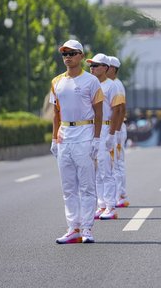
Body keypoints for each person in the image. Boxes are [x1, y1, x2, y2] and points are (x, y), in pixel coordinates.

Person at [50, 40, 103, 244]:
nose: (68, 57)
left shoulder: (91, 81)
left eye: (72, 53)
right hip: (65, 134)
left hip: (85, 132)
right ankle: (73, 227)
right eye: (64, 54)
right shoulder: (56, 82)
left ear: (81, 56)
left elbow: (99, 112)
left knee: (87, 185)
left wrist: (96, 139)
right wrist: (55, 138)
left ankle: (87, 228)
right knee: (68, 186)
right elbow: (55, 113)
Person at [87, 53, 124, 220]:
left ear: (105, 68)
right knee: (96, 170)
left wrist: (112, 134)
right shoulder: (91, 84)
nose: (92, 68)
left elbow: (117, 111)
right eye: (91, 66)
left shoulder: (112, 86)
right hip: (92, 130)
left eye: (95, 65)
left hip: (106, 129)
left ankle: (110, 206)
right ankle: (101, 204)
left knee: (106, 169)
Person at [106, 56, 129, 208]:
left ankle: (120, 195)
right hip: (116, 128)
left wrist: (117, 130)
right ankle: (118, 194)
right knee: (114, 162)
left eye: (106, 67)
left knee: (117, 162)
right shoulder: (111, 84)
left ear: (112, 69)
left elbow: (121, 109)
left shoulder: (115, 84)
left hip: (118, 128)